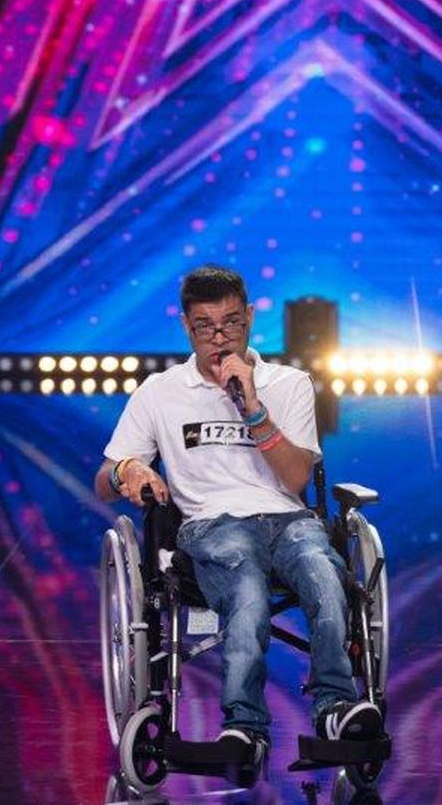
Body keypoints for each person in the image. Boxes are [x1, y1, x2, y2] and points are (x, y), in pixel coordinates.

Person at [93, 264, 383, 772]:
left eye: (230, 323)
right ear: (186, 326)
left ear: (249, 318)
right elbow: (103, 479)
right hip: (213, 524)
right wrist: (127, 470)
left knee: (323, 573)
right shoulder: (160, 392)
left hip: (287, 519)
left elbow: (295, 477)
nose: (220, 337)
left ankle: (335, 708)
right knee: (246, 588)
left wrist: (253, 408)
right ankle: (244, 728)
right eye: (205, 327)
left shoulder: (288, 383)